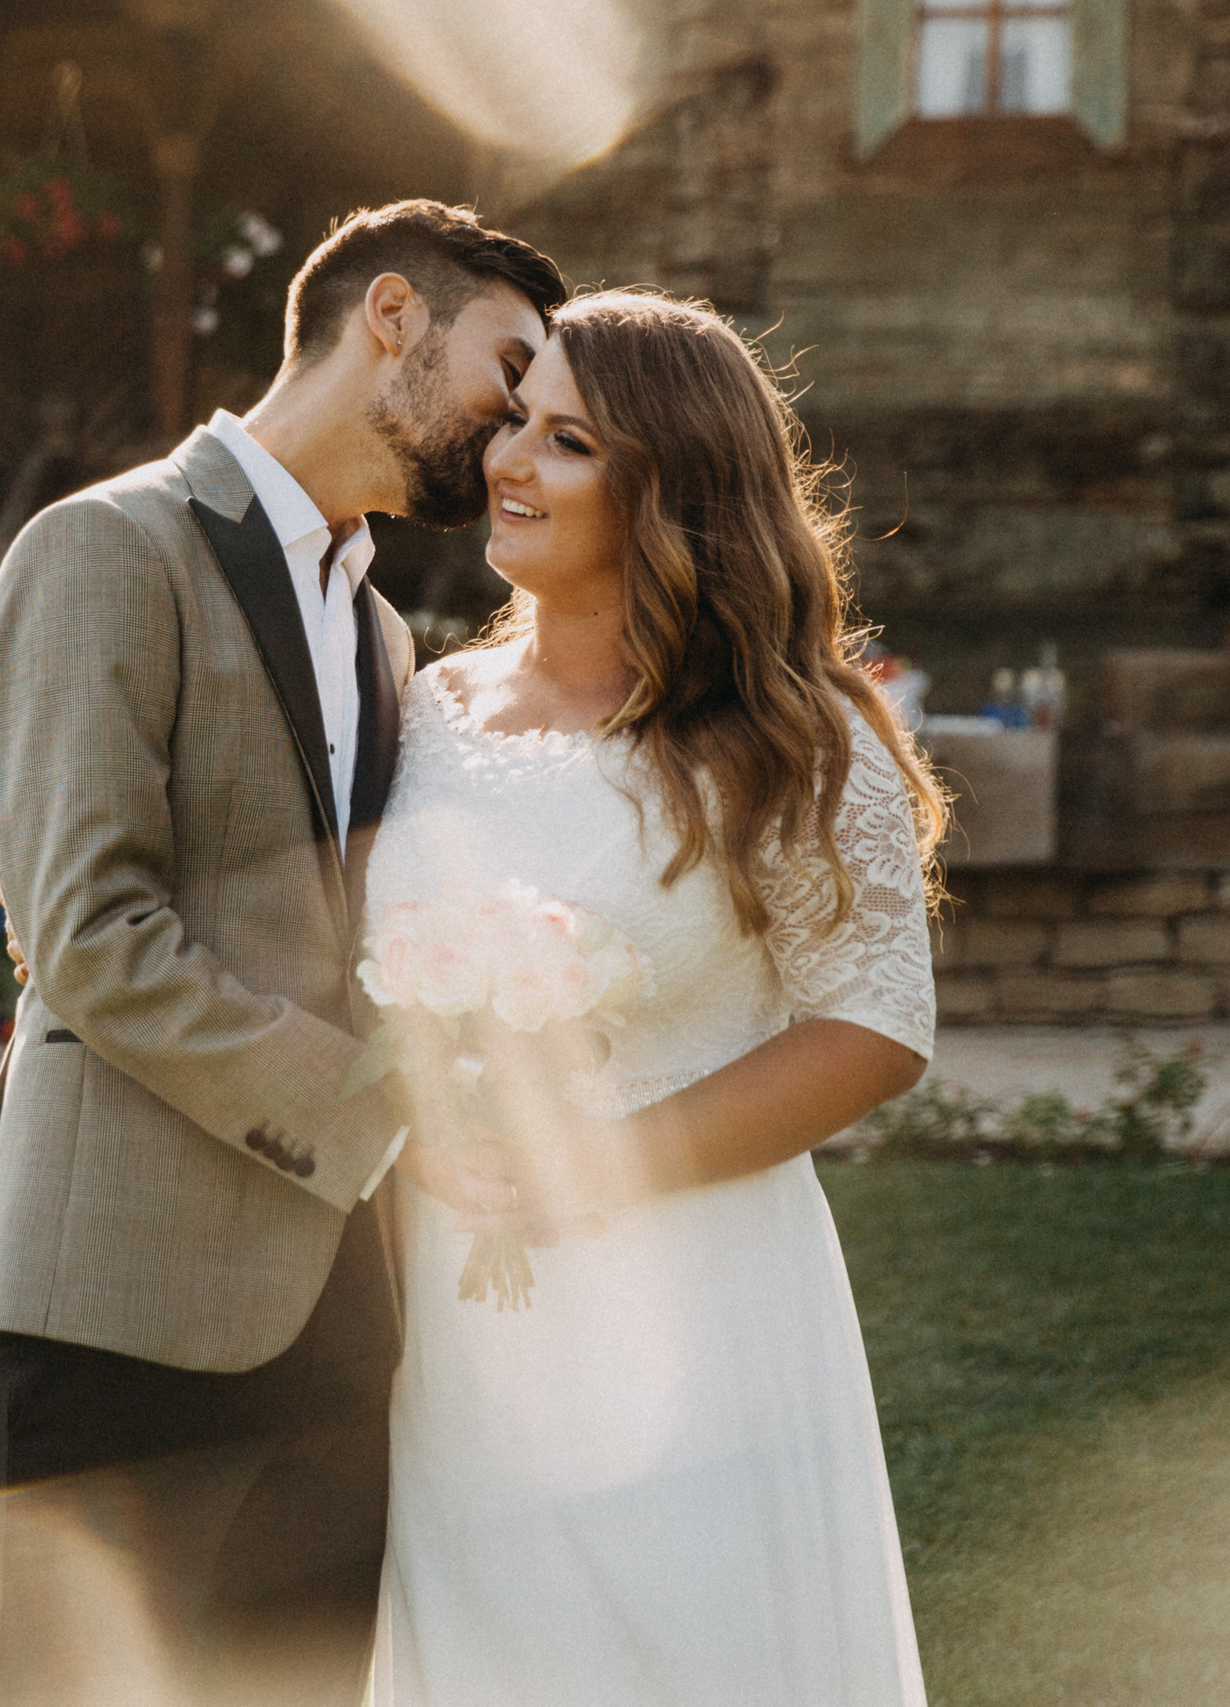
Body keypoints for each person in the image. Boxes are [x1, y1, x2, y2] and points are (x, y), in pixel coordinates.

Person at [0, 200, 567, 1706]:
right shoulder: (101, 548)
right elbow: (90, 937)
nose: (521, 422)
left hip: (343, 1324)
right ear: (392, 316)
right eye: (510, 367)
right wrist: (383, 1114)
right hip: (122, 1313)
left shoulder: (389, 633)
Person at [365, 291, 946, 1706]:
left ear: (672, 487)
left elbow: (871, 1024)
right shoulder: (422, 712)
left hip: (694, 1301)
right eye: (515, 420)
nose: (508, 461)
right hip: (450, 1309)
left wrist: (601, 1167)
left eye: (568, 440)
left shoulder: (794, 733)